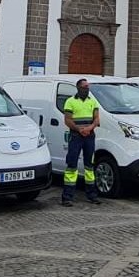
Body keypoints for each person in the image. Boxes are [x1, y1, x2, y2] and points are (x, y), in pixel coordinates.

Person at [61, 78, 102, 207]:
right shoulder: (70, 101)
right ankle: (67, 197)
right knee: (72, 165)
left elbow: (96, 119)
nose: (87, 89)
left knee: (89, 166)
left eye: (88, 87)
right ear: (78, 88)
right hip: (75, 136)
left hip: (89, 136)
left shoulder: (93, 101)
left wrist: (89, 128)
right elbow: (67, 120)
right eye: (84, 87)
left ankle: (92, 195)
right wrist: (79, 129)